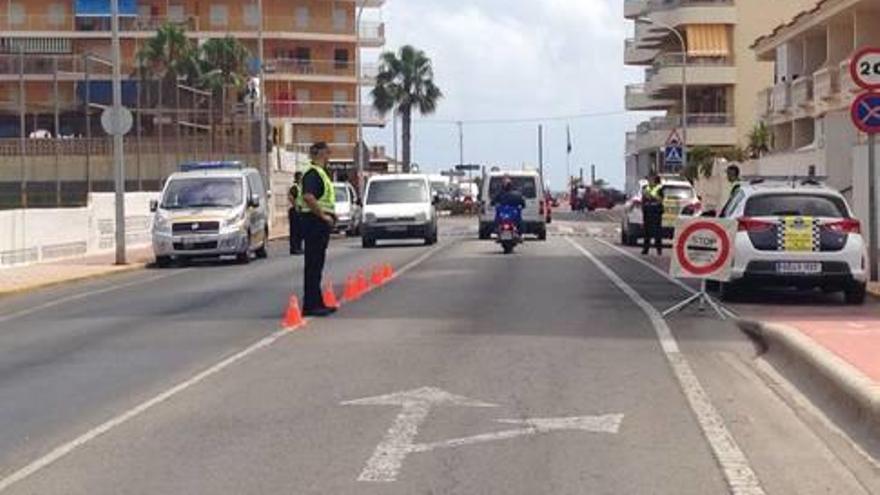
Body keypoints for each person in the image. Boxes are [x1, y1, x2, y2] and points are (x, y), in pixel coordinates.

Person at [297, 142, 337, 317]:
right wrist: (323, 216)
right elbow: (308, 196)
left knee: (316, 265)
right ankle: (311, 305)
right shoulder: (313, 173)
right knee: (313, 265)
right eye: (327, 152)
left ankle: (317, 302)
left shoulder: (320, 173)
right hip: (314, 222)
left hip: (316, 223)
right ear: (321, 153)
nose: (329, 156)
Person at [641, 174, 664, 256]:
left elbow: (661, 200)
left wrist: (653, 195)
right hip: (647, 211)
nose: (649, 181)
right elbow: (643, 200)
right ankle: (645, 249)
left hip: (656, 212)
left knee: (657, 232)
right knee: (646, 232)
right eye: (648, 179)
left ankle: (659, 249)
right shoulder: (645, 188)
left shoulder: (659, 188)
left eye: (651, 179)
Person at [288, 171, 303, 255]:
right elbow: (290, 197)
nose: (302, 178)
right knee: (295, 231)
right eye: (300, 177)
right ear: (297, 178)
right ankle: (294, 248)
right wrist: (296, 206)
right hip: (295, 211)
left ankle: (299, 247)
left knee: (300, 230)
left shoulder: (301, 187)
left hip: (301, 210)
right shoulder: (295, 187)